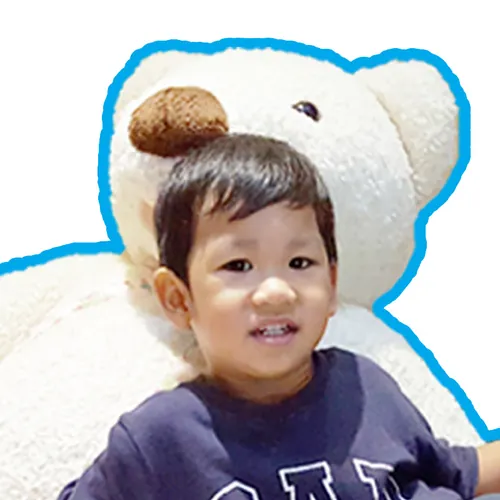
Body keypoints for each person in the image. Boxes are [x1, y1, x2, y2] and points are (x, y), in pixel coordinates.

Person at [58, 134, 499, 499]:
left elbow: (458, 471)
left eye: (299, 263)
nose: (276, 292)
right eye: (238, 266)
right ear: (178, 299)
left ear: (331, 284)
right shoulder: (160, 437)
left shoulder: (365, 385)